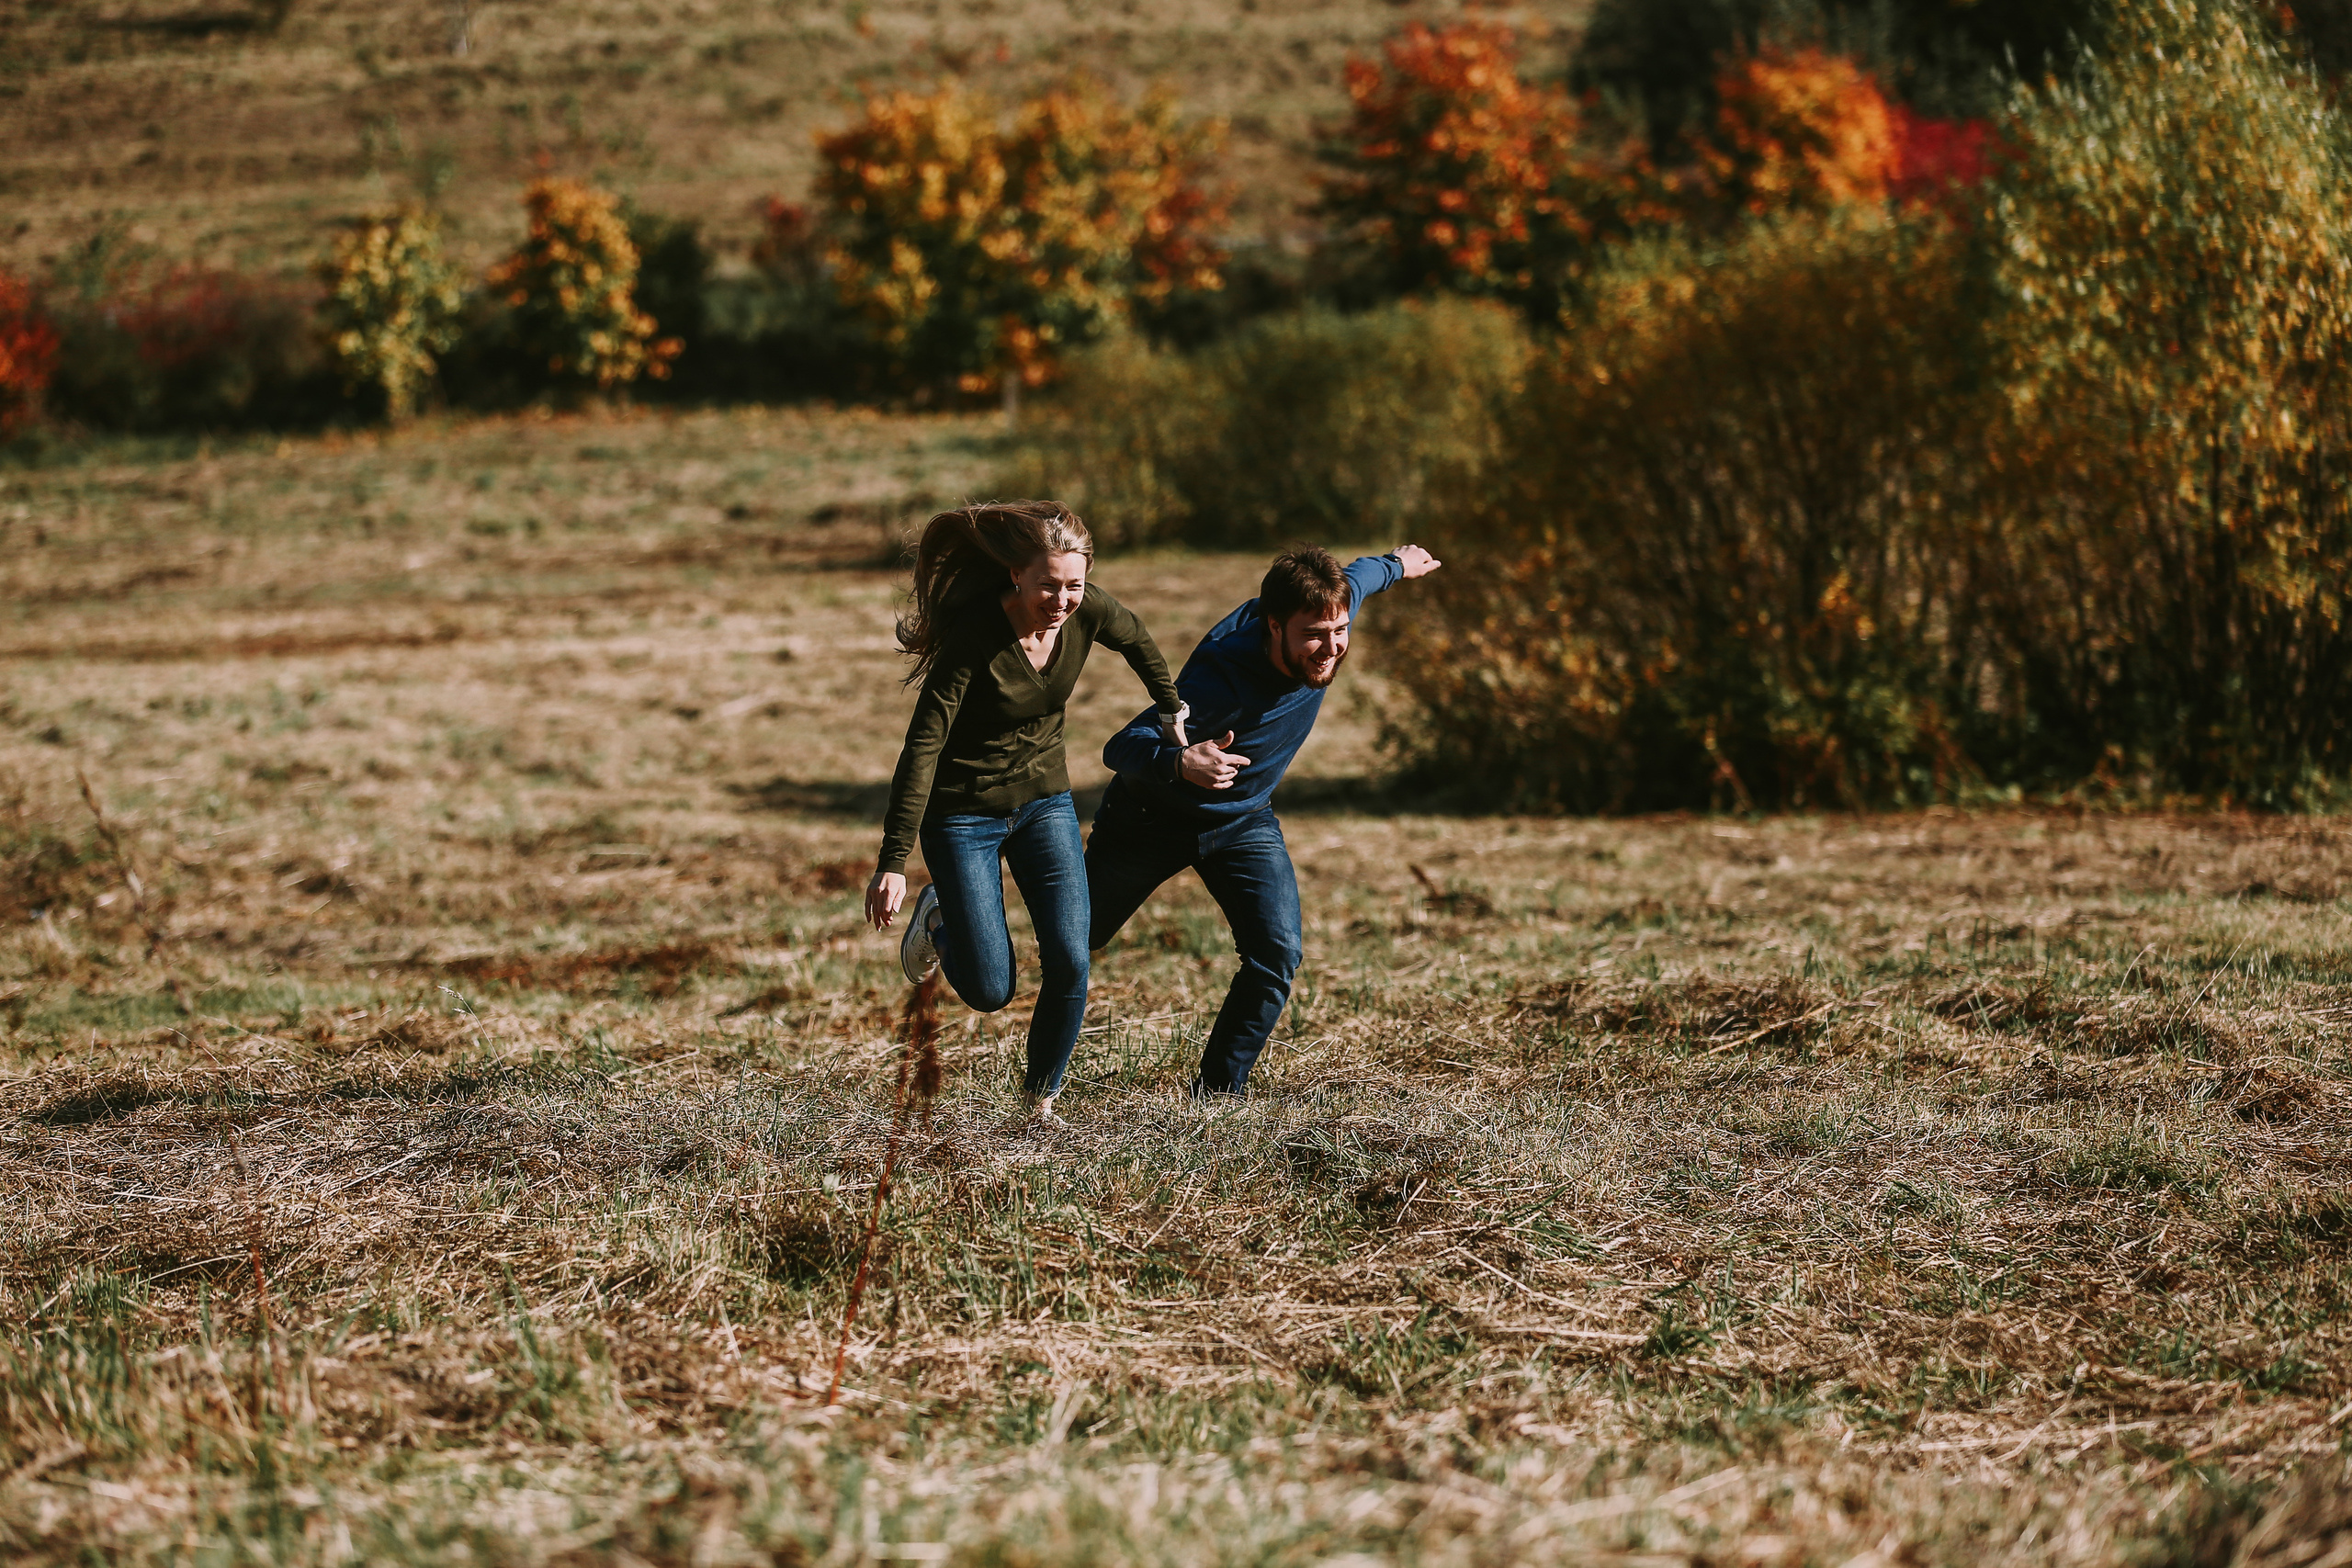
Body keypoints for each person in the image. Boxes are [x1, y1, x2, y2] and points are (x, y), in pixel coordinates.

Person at [865, 501, 1188, 1122]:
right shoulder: (974, 638)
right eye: (1049, 585)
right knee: (991, 989)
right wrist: (893, 858)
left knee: (1071, 955)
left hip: (1044, 804)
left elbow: (1137, 637)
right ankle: (940, 920)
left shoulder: (1086, 609)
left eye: (1075, 585)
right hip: (962, 815)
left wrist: (1170, 707)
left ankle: (1040, 1100)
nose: (1063, 600)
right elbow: (922, 746)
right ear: (1016, 573)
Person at [1088, 542, 1442, 1098]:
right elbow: (1121, 745)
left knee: (1276, 954)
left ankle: (1218, 1094)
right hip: (1150, 818)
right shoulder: (1219, 679)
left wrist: (1398, 564)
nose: (1330, 648)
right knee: (1075, 936)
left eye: (1340, 631)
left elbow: (1361, 576)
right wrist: (1181, 761)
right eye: (1314, 636)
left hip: (1242, 822)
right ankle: (952, 917)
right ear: (1274, 626)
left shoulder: (1326, 605)